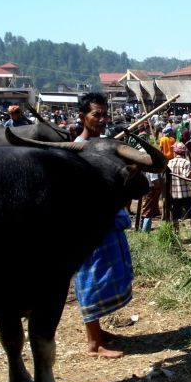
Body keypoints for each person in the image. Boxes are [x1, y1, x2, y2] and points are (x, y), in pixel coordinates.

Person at [73, 92, 134, 358]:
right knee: (91, 276)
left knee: (106, 273)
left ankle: (98, 332)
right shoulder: (77, 148)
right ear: (82, 116)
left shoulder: (103, 144)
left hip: (108, 218)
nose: (102, 119)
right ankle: (93, 344)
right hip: (89, 222)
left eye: (104, 114)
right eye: (96, 114)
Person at [168, 142, 191, 242]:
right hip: (185, 194)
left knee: (175, 217)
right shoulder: (186, 162)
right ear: (183, 152)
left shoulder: (170, 162)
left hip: (174, 194)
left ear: (175, 152)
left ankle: (177, 238)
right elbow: (187, 177)